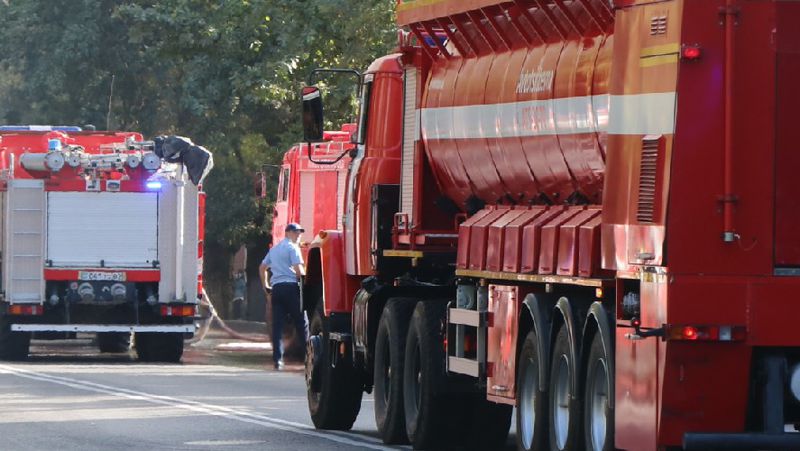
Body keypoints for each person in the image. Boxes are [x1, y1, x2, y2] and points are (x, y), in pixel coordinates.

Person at [260, 223, 310, 370]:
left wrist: (266, 286)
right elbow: (299, 271)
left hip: (277, 290)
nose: (299, 235)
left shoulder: (274, 250)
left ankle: (278, 360)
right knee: (302, 323)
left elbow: (262, 267)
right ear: (288, 233)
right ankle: (309, 355)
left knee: (278, 327)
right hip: (290, 288)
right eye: (296, 232)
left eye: (300, 232)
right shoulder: (292, 248)